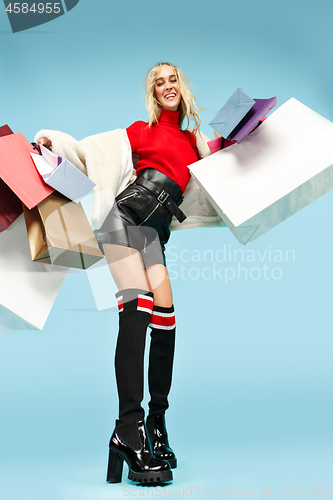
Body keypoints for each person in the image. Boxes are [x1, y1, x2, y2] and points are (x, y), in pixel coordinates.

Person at [37, 62, 209, 486]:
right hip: (124, 218)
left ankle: (155, 424)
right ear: (153, 93)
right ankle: (127, 430)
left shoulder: (197, 143)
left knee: (165, 316)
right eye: (159, 82)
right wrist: (52, 143)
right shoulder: (139, 131)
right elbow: (88, 153)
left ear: (182, 88)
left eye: (173, 80)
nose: (167, 86)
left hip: (155, 233)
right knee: (139, 306)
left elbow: (234, 169)